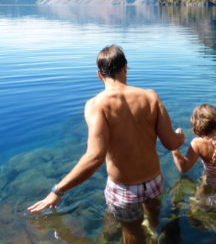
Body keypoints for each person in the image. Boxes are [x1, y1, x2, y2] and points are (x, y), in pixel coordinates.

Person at [28, 45, 185, 243]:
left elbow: (95, 158)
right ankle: (156, 234)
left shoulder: (96, 105)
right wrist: (181, 136)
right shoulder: (151, 97)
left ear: (99, 75)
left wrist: (58, 190)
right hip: (154, 182)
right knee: (154, 221)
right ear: (126, 68)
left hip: (124, 191)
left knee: (132, 235)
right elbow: (171, 143)